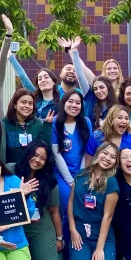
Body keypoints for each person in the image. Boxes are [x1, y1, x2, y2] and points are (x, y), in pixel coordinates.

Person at [67, 142, 120, 260]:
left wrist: (99, 248)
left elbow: (107, 217)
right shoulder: (80, 174)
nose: (108, 158)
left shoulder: (111, 182)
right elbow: (71, 202)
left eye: (113, 157)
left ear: (115, 162)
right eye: (105, 153)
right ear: (97, 153)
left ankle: (98, 255)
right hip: (80, 233)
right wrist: (72, 229)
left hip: (101, 235)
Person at [11, 141, 63, 260]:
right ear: (28, 153)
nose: (37, 160)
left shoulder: (49, 183)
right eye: (35, 155)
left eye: (43, 158)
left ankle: (53, 254)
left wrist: (59, 239)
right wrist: (18, 191)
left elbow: (54, 212)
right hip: (14, 227)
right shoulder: (11, 171)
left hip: (39, 227)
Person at [51, 90, 93, 228]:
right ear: (64, 103)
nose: (74, 105)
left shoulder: (86, 122)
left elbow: (87, 151)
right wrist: (70, 180)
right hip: (61, 174)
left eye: (78, 102)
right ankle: (64, 239)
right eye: (70, 101)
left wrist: (80, 176)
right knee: (68, 201)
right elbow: (56, 153)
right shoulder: (56, 122)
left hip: (81, 172)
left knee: (83, 203)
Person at [2, 89, 51, 166]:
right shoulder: (3, 124)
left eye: (30, 103)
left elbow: (45, 148)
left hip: (32, 171)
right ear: (15, 104)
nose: (27, 106)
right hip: (10, 171)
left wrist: (47, 126)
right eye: (23, 102)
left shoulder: (38, 124)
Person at [8, 56, 64, 122]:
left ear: (53, 82)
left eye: (46, 77)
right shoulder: (33, 99)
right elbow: (23, 77)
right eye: (40, 79)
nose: (43, 80)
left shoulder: (60, 104)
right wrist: (10, 57)